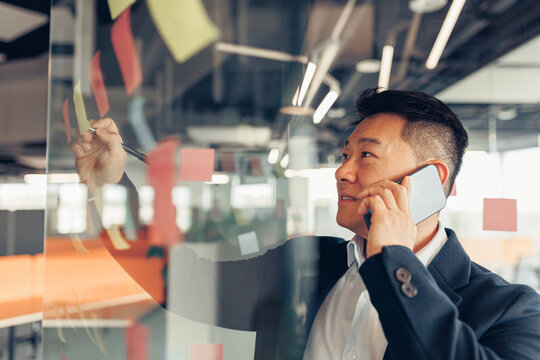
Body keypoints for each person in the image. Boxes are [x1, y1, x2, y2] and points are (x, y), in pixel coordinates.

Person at [72, 88, 540, 359]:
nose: (342, 171)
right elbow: (182, 281)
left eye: (366, 156)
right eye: (344, 156)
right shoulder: (307, 263)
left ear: (431, 180)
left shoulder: (510, 310)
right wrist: (111, 190)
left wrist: (394, 264)